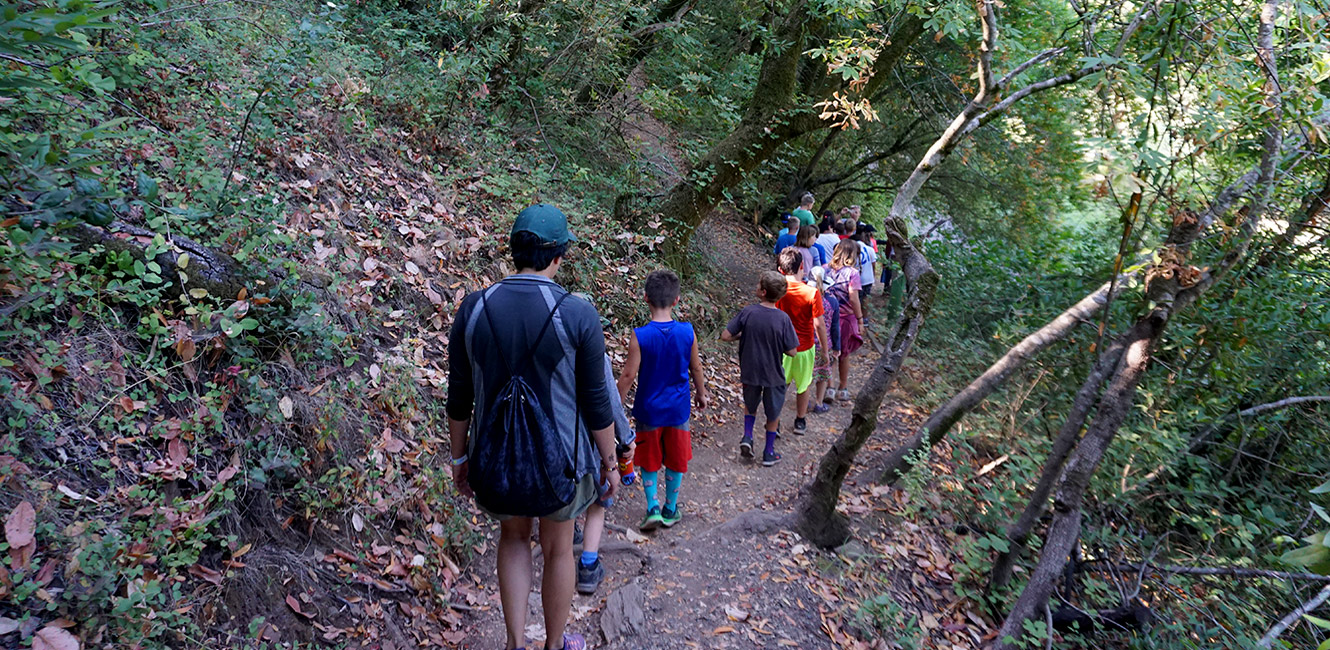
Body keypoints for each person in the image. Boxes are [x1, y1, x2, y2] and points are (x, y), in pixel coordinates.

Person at [447, 204, 618, 650]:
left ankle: (514, 643)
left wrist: (460, 457)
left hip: (495, 459)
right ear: (559, 255)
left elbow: (459, 395)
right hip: (562, 462)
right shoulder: (577, 313)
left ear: (513, 251)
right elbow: (597, 402)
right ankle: (554, 643)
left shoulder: (473, 308)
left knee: (513, 535)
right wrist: (610, 460)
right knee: (559, 546)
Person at [617, 270, 710, 532]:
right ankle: (671, 507)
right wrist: (701, 393)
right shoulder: (687, 332)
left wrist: (617, 405)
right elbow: (696, 368)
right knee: (675, 457)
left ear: (645, 298)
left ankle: (652, 507)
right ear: (677, 300)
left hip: (648, 410)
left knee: (649, 459)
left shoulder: (641, 335)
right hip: (678, 409)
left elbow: (627, 375)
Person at [721, 270, 798, 466]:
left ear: (763, 292)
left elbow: (725, 336)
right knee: (773, 414)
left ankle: (747, 437)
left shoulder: (748, 312)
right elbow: (792, 352)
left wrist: (743, 336)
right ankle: (769, 452)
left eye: (758, 285)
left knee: (750, 405)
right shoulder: (783, 319)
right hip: (773, 374)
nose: (755, 287)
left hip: (750, 371)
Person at [576, 355, 636, 595]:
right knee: (598, 503)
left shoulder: (537, 342)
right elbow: (609, 399)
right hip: (591, 441)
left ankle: (570, 534)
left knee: (566, 495)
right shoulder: (592, 350)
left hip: (552, 444)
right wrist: (626, 437)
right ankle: (588, 565)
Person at [774, 248, 829, 436]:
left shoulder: (778, 291)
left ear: (780, 270)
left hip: (780, 347)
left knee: (780, 385)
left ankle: (776, 421)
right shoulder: (812, 293)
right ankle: (800, 420)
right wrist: (825, 351)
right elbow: (819, 325)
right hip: (804, 347)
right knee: (803, 385)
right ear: (802, 266)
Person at [827, 239, 865, 404]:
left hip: (827, 315)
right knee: (844, 353)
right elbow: (854, 298)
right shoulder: (853, 273)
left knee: (830, 352)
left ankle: (829, 386)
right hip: (846, 318)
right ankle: (842, 388)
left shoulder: (825, 269)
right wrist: (860, 319)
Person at [806, 266, 837, 413]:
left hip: (806, 342)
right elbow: (835, 327)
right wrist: (836, 346)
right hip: (825, 343)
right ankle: (818, 403)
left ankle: (804, 402)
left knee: (806, 375)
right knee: (823, 373)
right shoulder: (832, 302)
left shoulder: (804, 298)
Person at [855, 225, 878, 298]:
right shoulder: (870, 249)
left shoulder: (852, 247)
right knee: (865, 300)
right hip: (868, 279)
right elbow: (873, 265)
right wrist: (873, 277)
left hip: (856, 279)